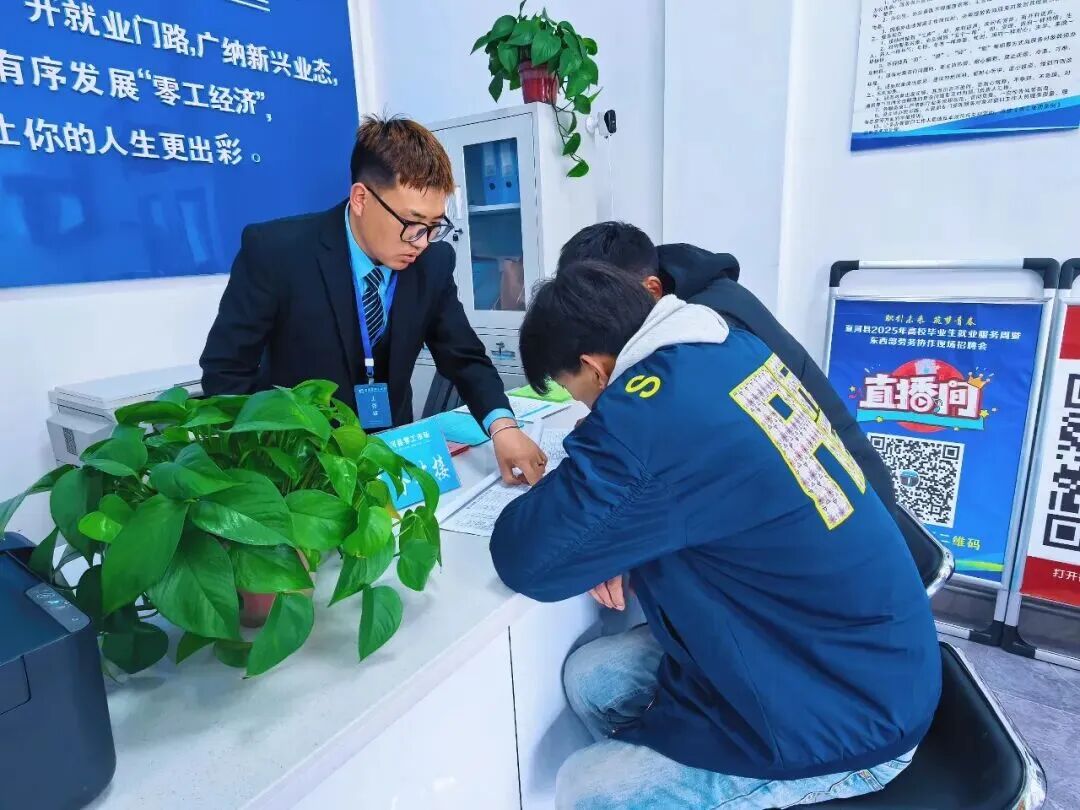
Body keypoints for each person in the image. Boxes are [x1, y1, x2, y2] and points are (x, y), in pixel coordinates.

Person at [489, 262, 940, 809]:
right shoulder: (728, 346)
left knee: (587, 789)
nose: (582, 405)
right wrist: (611, 522)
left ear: (594, 368)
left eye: (572, 390)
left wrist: (599, 487)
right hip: (838, 642)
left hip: (843, 708)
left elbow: (525, 558)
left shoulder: (649, 415)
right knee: (594, 678)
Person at [200, 115, 546, 484]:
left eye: (434, 226)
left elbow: (464, 357)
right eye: (412, 223)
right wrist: (262, 467)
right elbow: (226, 372)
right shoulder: (278, 253)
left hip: (391, 452)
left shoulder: (432, 263)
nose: (422, 242)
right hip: (301, 469)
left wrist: (503, 427)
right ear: (361, 198)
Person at [557, 222, 896, 514]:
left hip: (840, 502)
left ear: (652, 289)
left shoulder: (705, 332)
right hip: (838, 491)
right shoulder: (697, 295)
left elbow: (672, 456)